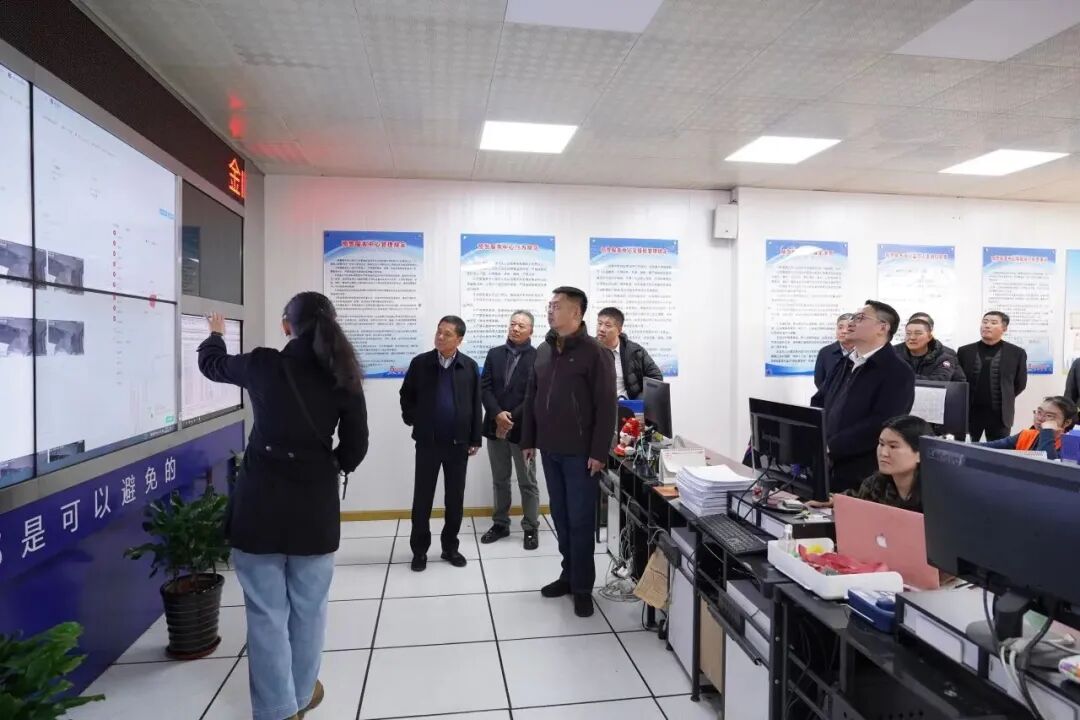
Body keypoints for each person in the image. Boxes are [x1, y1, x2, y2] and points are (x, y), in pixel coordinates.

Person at [198, 293, 369, 720]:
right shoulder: (343, 373)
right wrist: (330, 465)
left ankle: (277, 708)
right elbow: (356, 445)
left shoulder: (263, 364)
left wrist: (215, 335)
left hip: (260, 505)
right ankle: (303, 692)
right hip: (315, 506)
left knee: (265, 612)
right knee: (310, 609)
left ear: (286, 325)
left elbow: (212, 365)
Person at [521, 286, 616, 618]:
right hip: (550, 449)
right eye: (549, 305)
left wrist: (599, 452)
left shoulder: (596, 353)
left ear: (576, 312)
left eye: (557, 306)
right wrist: (528, 439)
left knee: (580, 520)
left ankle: (583, 588)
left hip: (581, 455)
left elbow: (606, 407)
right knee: (560, 517)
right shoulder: (543, 350)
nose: (550, 310)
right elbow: (532, 397)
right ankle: (568, 575)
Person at [400, 316, 482, 572]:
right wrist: (415, 419)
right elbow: (406, 395)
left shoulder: (469, 366)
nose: (440, 337)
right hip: (428, 443)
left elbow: (475, 403)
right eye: (438, 331)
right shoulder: (420, 363)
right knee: (422, 499)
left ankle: (450, 547)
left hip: (458, 444)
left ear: (459, 339)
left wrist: (475, 438)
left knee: (454, 500)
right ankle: (419, 551)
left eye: (447, 334)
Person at [811, 300, 915, 492]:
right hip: (827, 465)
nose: (851, 323)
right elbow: (820, 400)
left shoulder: (897, 371)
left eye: (859, 318)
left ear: (882, 328)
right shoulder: (845, 362)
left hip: (863, 475)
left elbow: (883, 423)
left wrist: (831, 446)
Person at [478, 311, 540, 549]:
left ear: (531, 330)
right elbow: (485, 388)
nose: (515, 328)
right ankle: (500, 524)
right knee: (500, 479)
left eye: (521, 326)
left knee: (528, 481)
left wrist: (510, 417)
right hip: (495, 426)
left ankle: (530, 527)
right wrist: (497, 414)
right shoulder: (494, 354)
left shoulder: (538, 357)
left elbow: (534, 394)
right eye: (513, 324)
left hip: (523, 430)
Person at [807, 415, 934, 513]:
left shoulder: (935, 495)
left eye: (893, 446)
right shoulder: (876, 484)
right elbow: (854, 499)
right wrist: (832, 500)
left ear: (920, 453)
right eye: (881, 444)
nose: (883, 453)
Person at [957, 311, 1027, 441]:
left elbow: (1020, 383)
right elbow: (957, 381)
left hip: (1000, 415)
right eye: (985, 322)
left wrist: (1005, 396)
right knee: (963, 448)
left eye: (993, 323)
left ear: (1004, 328)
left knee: (998, 450)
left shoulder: (1016, 353)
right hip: (969, 413)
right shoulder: (965, 351)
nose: (987, 325)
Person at [594, 307, 663, 399]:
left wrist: (638, 399)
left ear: (619, 330)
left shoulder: (635, 351)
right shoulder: (588, 350)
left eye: (608, 325)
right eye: (599, 323)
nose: (601, 329)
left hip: (627, 405)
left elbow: (656, 378)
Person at [981, 396, 1077, 460]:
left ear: (1067, 422)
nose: (1040, 418)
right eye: (1039, 412)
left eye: (1049, 416)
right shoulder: (1026, 434)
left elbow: (1047, 466)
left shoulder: (1072, 445)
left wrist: (1047, 431)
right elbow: (988, 447)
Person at [897, 318, 965, 382]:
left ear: (929, 337)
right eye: (908, 333)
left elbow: (939, 381)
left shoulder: (944, 359)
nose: (912, 337)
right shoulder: (895, 356)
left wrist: (903, 377)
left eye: (918, 333)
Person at [814, 313, 855, 389]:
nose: (843, 331)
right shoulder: (825, 352)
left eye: (849, 328)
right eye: (840, 327)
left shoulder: (864, 351)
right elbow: (819, 381)